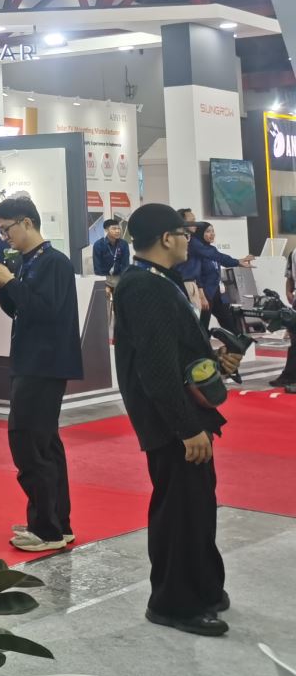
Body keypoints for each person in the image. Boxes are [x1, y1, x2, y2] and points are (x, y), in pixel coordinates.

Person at [114, 203, 241, 637]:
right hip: (171, 422)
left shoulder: (159, 280)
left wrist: (213, 362)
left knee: (197, 505)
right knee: (180, 510)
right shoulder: (144, 287)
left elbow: (174, 353)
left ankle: (202, 587)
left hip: (183, 413)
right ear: (167, 238)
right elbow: (155, 370)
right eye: (185, 233)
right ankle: (173, 602)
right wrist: (186, 429)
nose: (190, 239)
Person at [0, 197, 82, 554]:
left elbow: (45, 312)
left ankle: (46, 528)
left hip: (43, 365)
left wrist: (11, 282)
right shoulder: (28, 262)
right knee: (44, 444)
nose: (3, 237)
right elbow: (20, 310)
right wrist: (2, 286)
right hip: (31, 361)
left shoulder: (54, 262)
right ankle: (55, 522)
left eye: (5, 229)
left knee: (29, 445)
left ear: (27, 223)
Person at [182, 223, 252, 334]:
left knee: (227, 319)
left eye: (213, 231)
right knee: (203, 324)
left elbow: (222, 260)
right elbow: (197, 275)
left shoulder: (211, 249)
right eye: (208, 231)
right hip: (205, 293)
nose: (212, 234)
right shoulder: (197, 250)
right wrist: (202, 296)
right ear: (200, 233)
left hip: (216, 292)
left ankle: (240, 338)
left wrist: (239, 261)